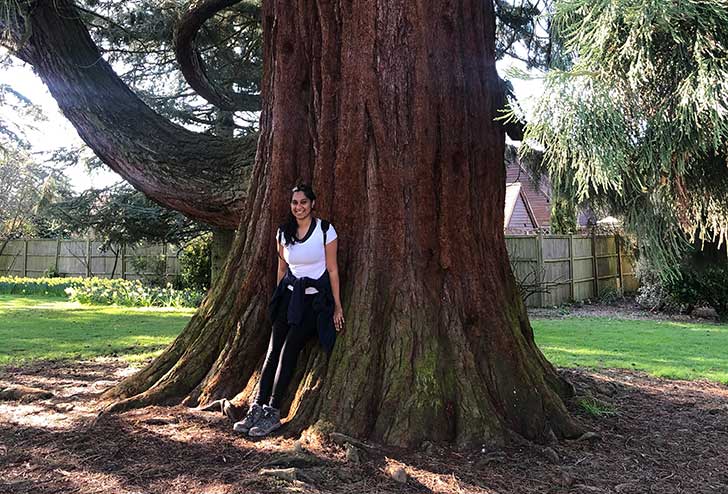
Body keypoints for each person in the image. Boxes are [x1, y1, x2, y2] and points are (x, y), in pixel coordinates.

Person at [233, 184, 344, 437]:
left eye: (303, 202)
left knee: (288, 350)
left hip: (312, 302)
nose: (299, 207)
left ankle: (273, 411)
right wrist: (278, 297)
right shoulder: (283, 233)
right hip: (288, 298)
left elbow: (333, 270)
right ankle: (257, 406)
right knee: (272, 351)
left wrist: (337, 306)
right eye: (295, 203)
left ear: (312, 204)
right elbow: (282, 268)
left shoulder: (325, 231)